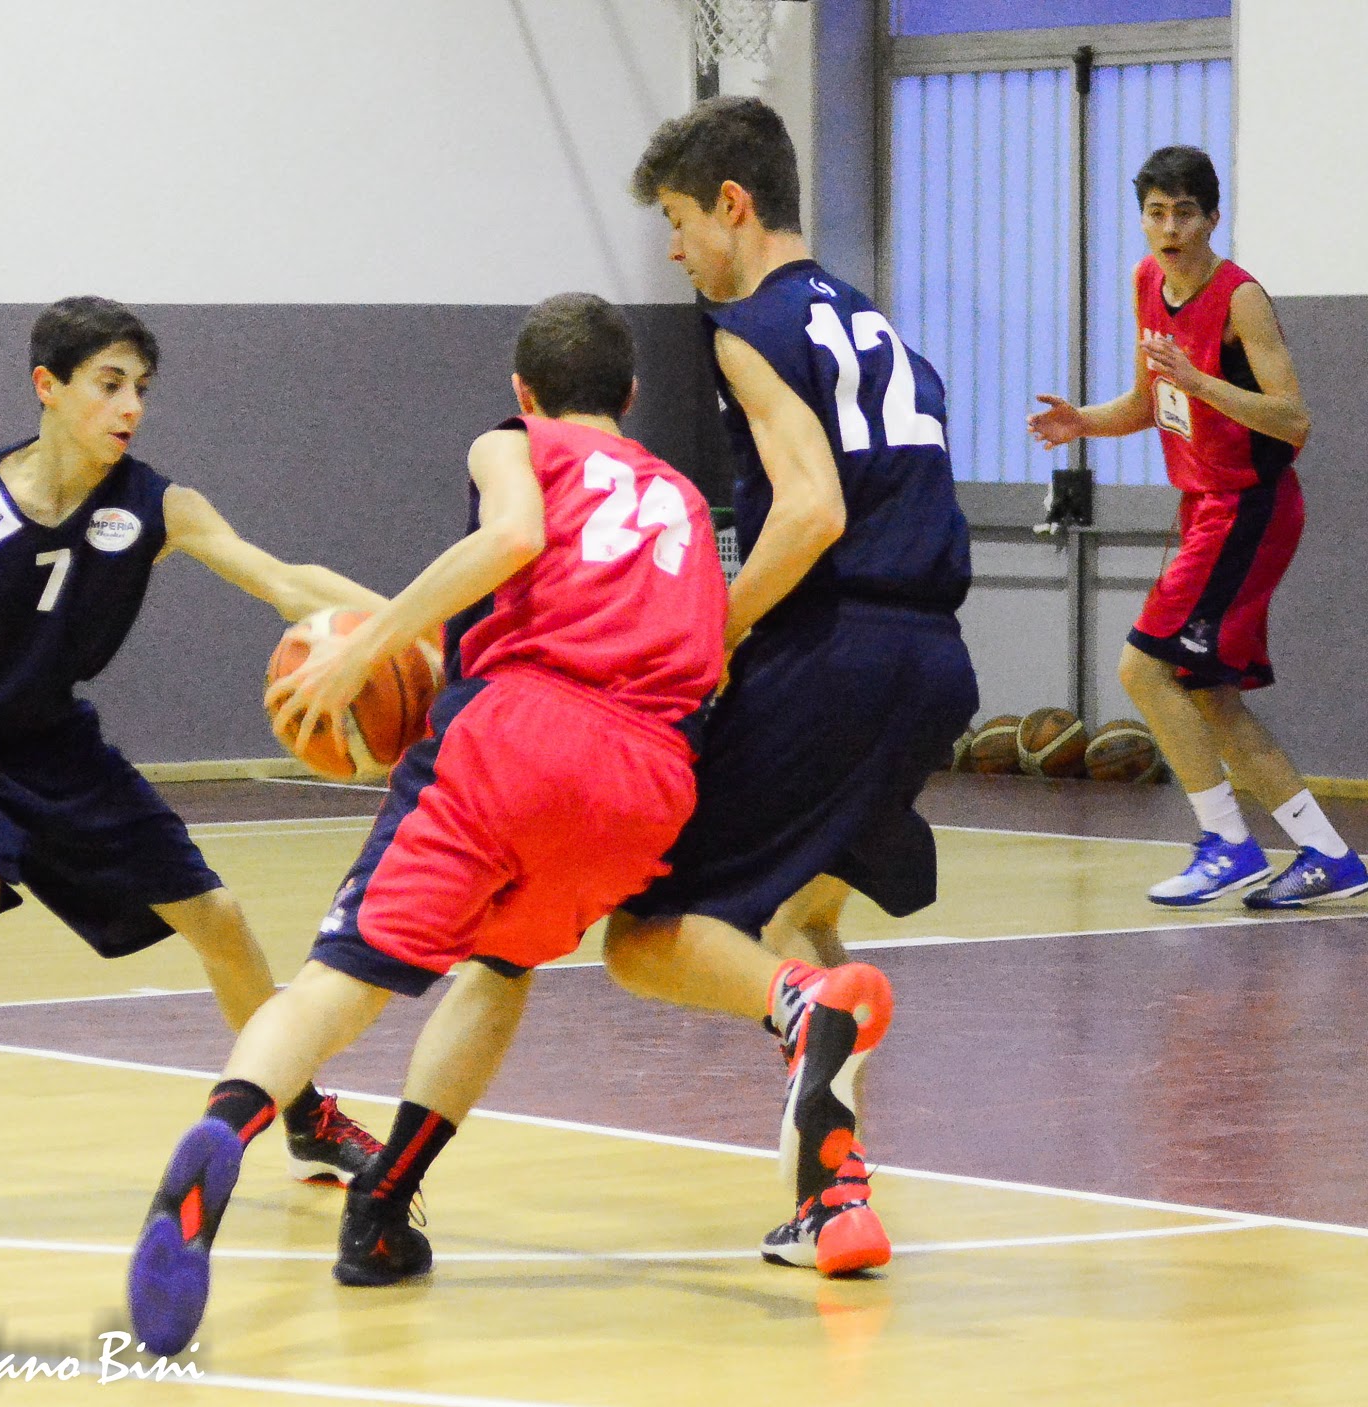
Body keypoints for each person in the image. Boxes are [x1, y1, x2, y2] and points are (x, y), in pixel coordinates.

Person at [127, 292, 864, 1357]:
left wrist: (365, 647)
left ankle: (219, 1139)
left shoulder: (512, 441)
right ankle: (383, 1207)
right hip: (649, 775)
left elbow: (515, 535)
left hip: (517, 736)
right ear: (631, 394)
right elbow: (708, 648)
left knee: (338, 984)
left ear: (524, 391)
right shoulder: (681, 500)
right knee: (504, 965)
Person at [0, 296, 385, 1248]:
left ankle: (303, 1113)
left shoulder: (155, 505)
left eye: (141, 387)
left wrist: (423, 620)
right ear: (48, 387)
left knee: (219, 918)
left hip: (52, 743)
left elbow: (284, 579)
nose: (130, 406)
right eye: (109, 384)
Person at [604, 95, 978, 1278]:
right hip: (933, 662)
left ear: (732, 204)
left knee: (646, 933)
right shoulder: (874, 327)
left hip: (838, 651)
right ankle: (834, 1197)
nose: (675, 251)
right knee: (800, 920)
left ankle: (813, 1030)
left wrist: (713, 634)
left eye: (678, 221)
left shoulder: (747, 328)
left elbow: (810, 510)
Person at [1029, 145, 1366, 909]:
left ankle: (1226, 843)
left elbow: (1294, 419)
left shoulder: (1240, 299)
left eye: (1185, 213)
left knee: (1142, 668)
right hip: (1205, 507)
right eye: (1156, 213)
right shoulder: (1146, 282)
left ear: (1213, 218)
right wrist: (1083, 421)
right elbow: (1148, 403)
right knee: (1209, 693)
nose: (1170, 228)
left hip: (1250, 505)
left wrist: (1200, 380)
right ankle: (1328, 853)